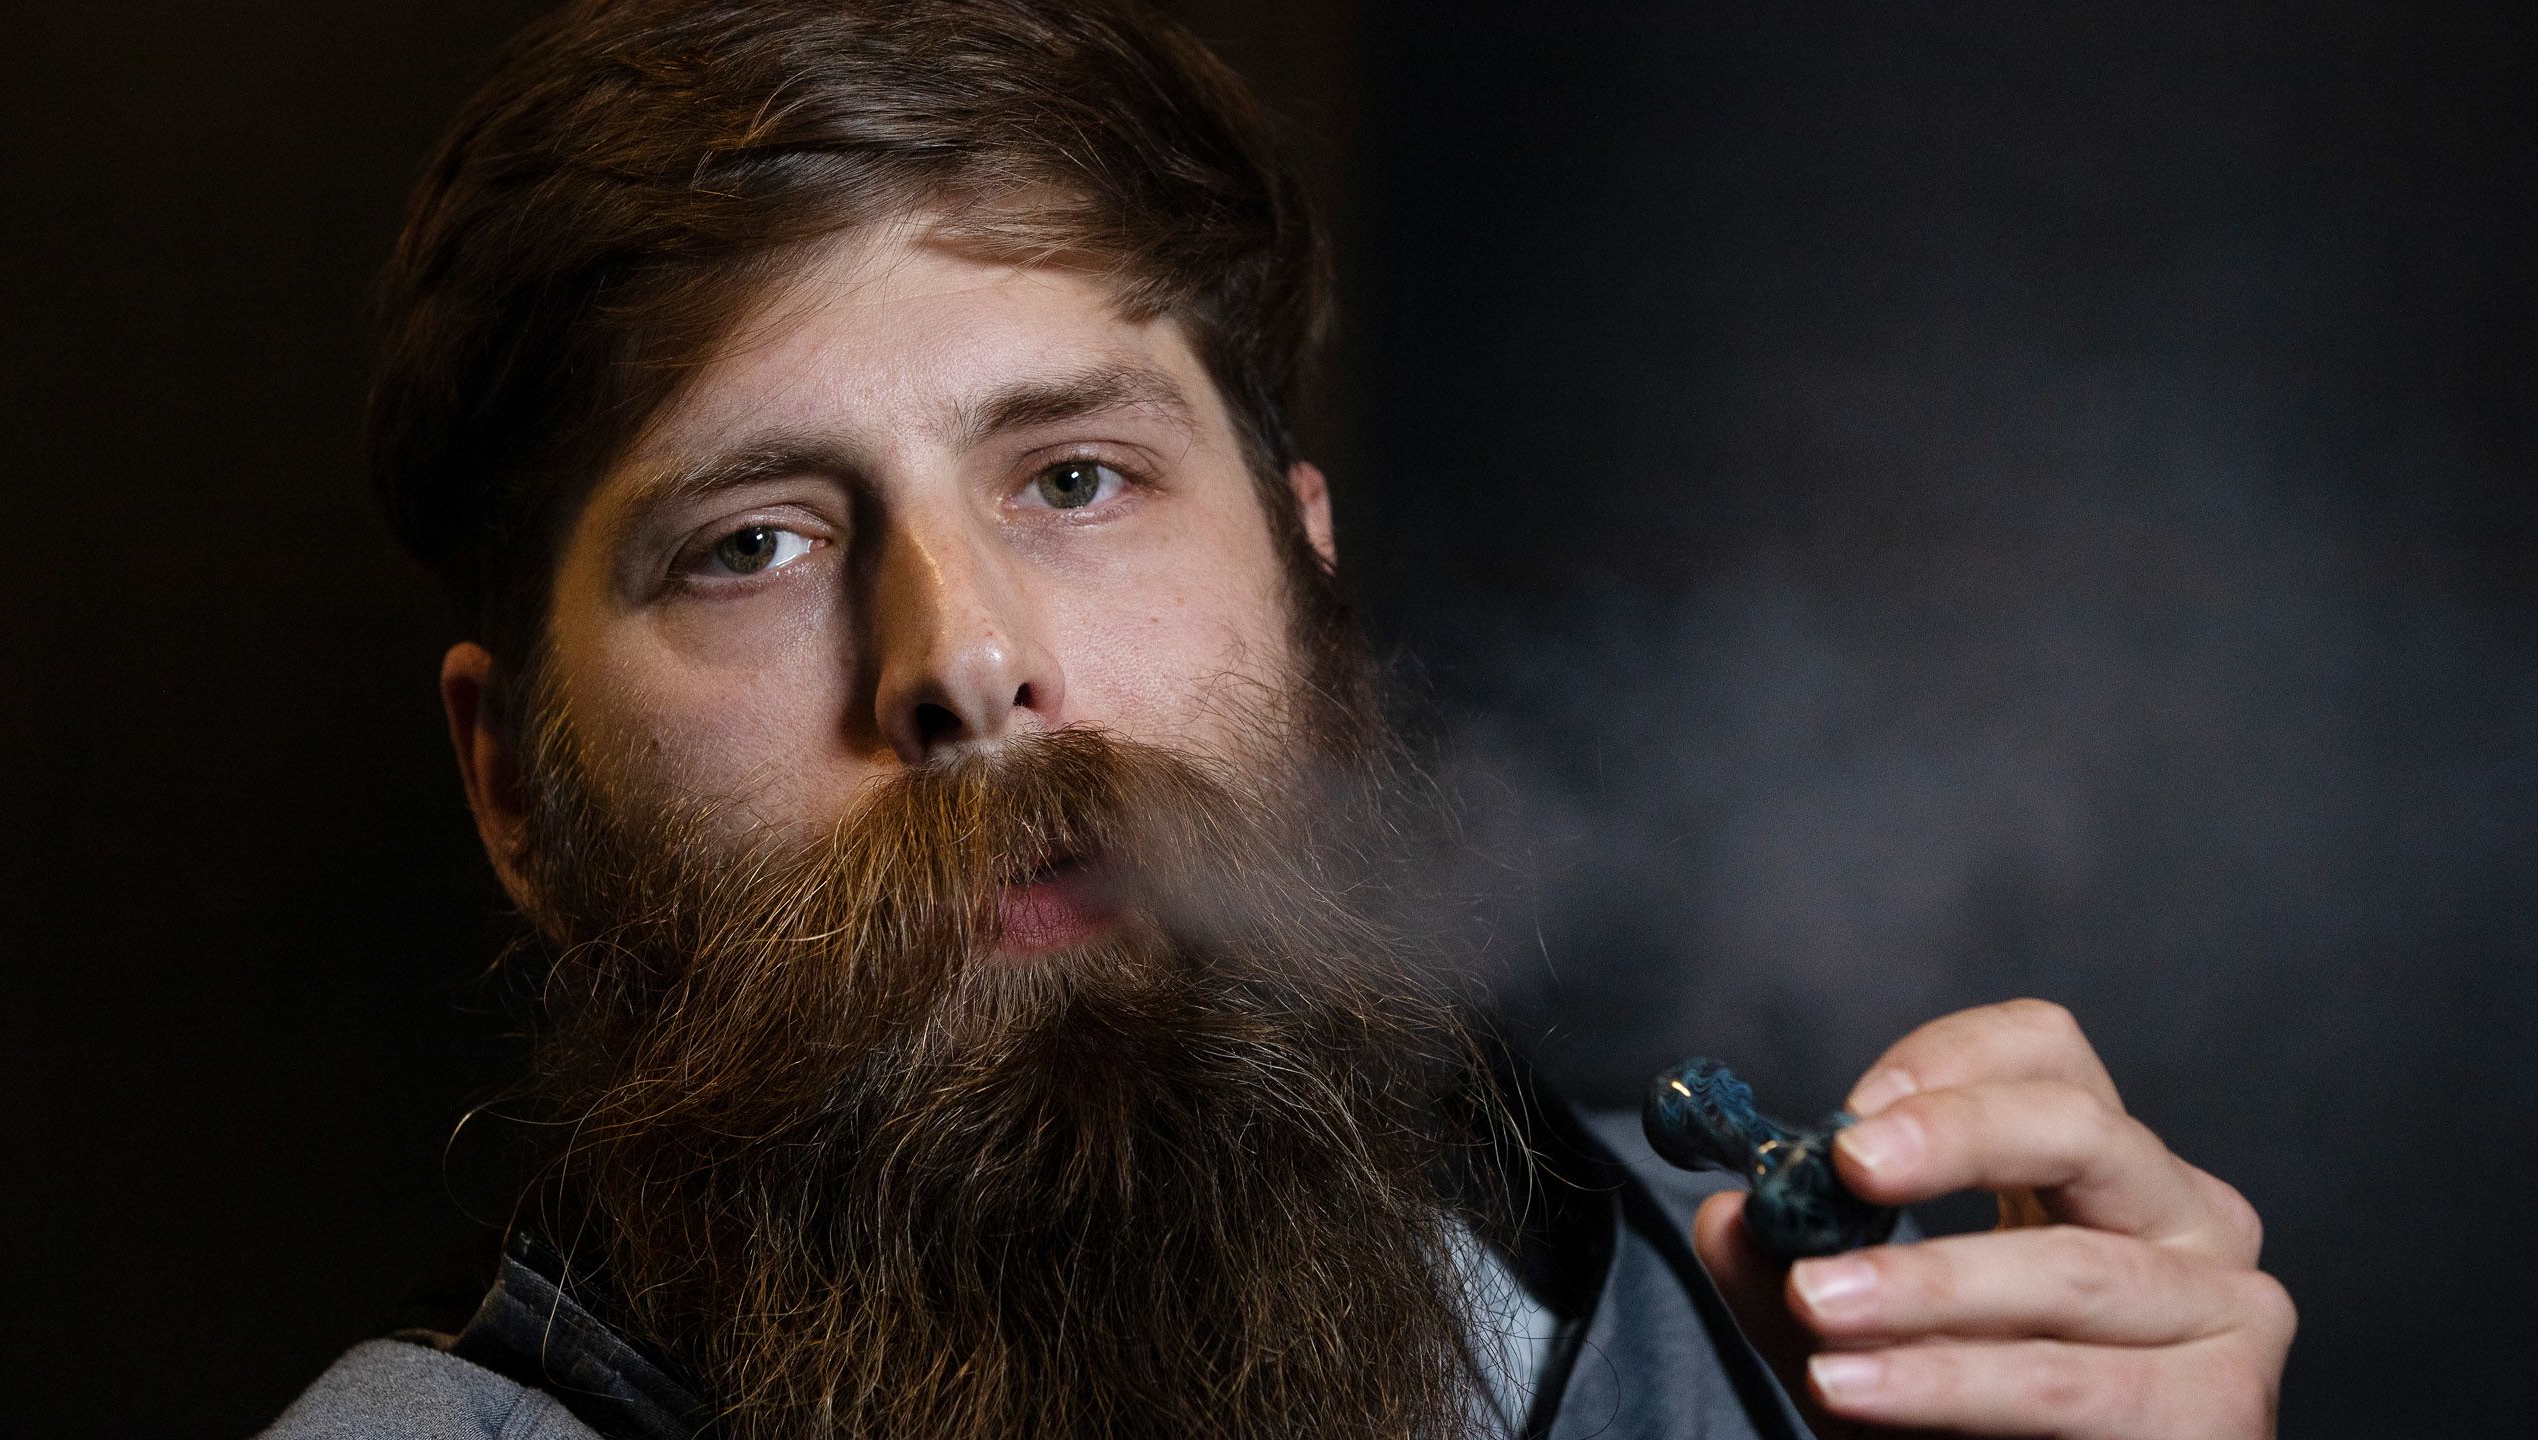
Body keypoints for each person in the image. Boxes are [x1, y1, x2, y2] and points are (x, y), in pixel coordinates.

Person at [261, 2, 2295, 1436]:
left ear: (1306, 567)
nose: (963, 663)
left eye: (1074, 479)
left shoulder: (1801, 1327)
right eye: (751, 545)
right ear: (514, 794)